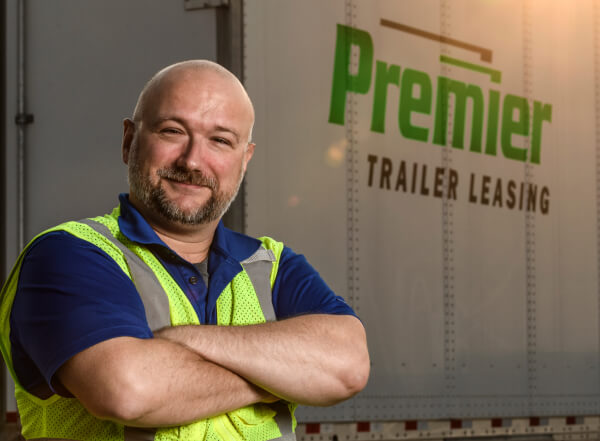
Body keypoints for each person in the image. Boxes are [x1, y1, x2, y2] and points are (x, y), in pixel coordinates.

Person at [0, 60, 370, 440]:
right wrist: (287, 375)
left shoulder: (271, 266)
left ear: (244, 161)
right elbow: (127, 391)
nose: (192, 161)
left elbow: (349, 367)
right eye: (172, 131)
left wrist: (188, 340)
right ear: (129, 141)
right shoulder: (69, 255)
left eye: (221, 140)